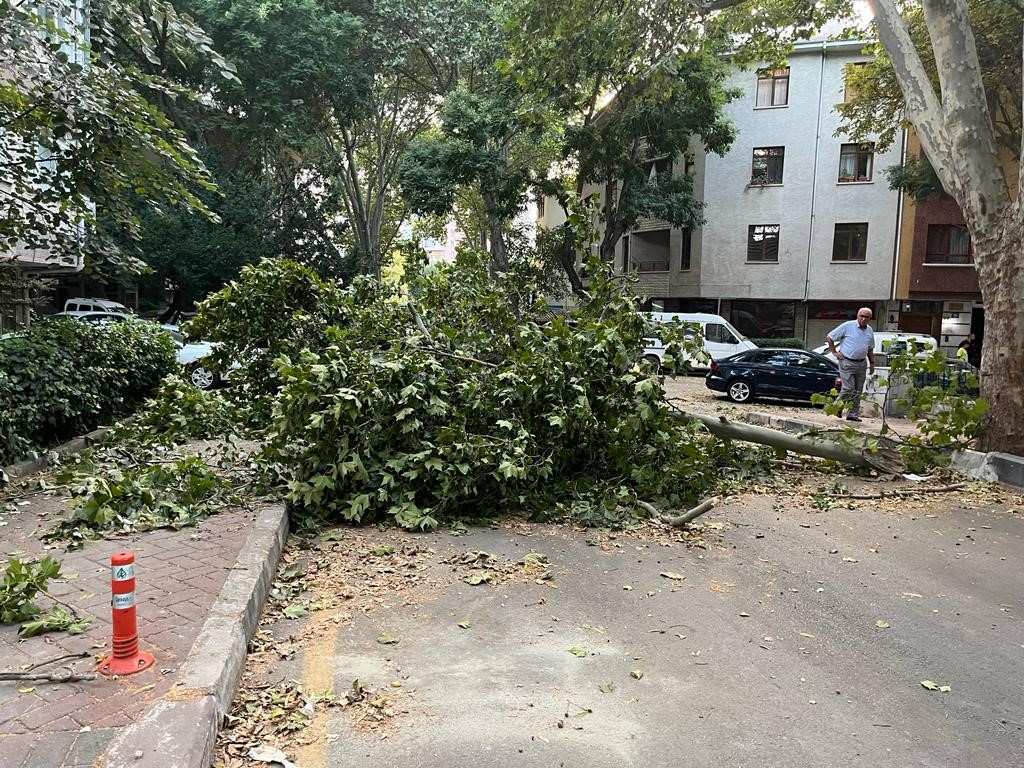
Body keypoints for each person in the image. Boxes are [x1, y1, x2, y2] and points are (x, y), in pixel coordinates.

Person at [826, 307, 875, 422]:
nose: (863, 319)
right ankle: (837, 406)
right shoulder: (848, 326)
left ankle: (853, 414)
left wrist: (872, 363)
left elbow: (870, 348)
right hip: (847, 361)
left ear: (870, 318)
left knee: (858, 390)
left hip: (861, 363)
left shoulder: (869, 330)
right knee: (848, 388)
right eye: (861, 316)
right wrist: (834, 352)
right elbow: (830, 337)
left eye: (866, 317)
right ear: (857, 316)